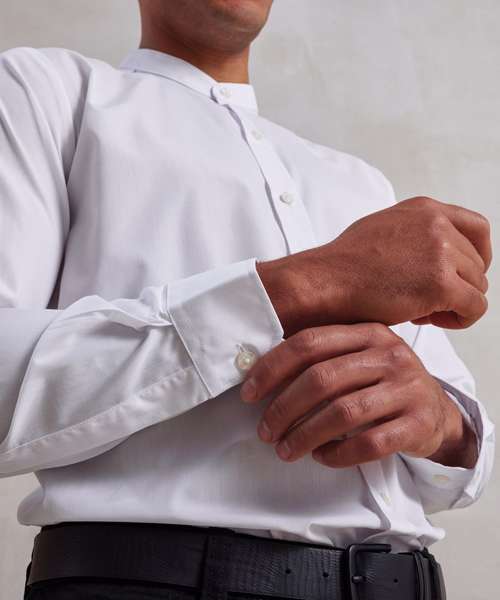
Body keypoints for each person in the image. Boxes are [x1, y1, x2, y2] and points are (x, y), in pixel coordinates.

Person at [0, 1, 494, 598]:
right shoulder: (46, 92)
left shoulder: (362, 185)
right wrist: (302, 287)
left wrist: (443, 425)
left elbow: (462, 464)